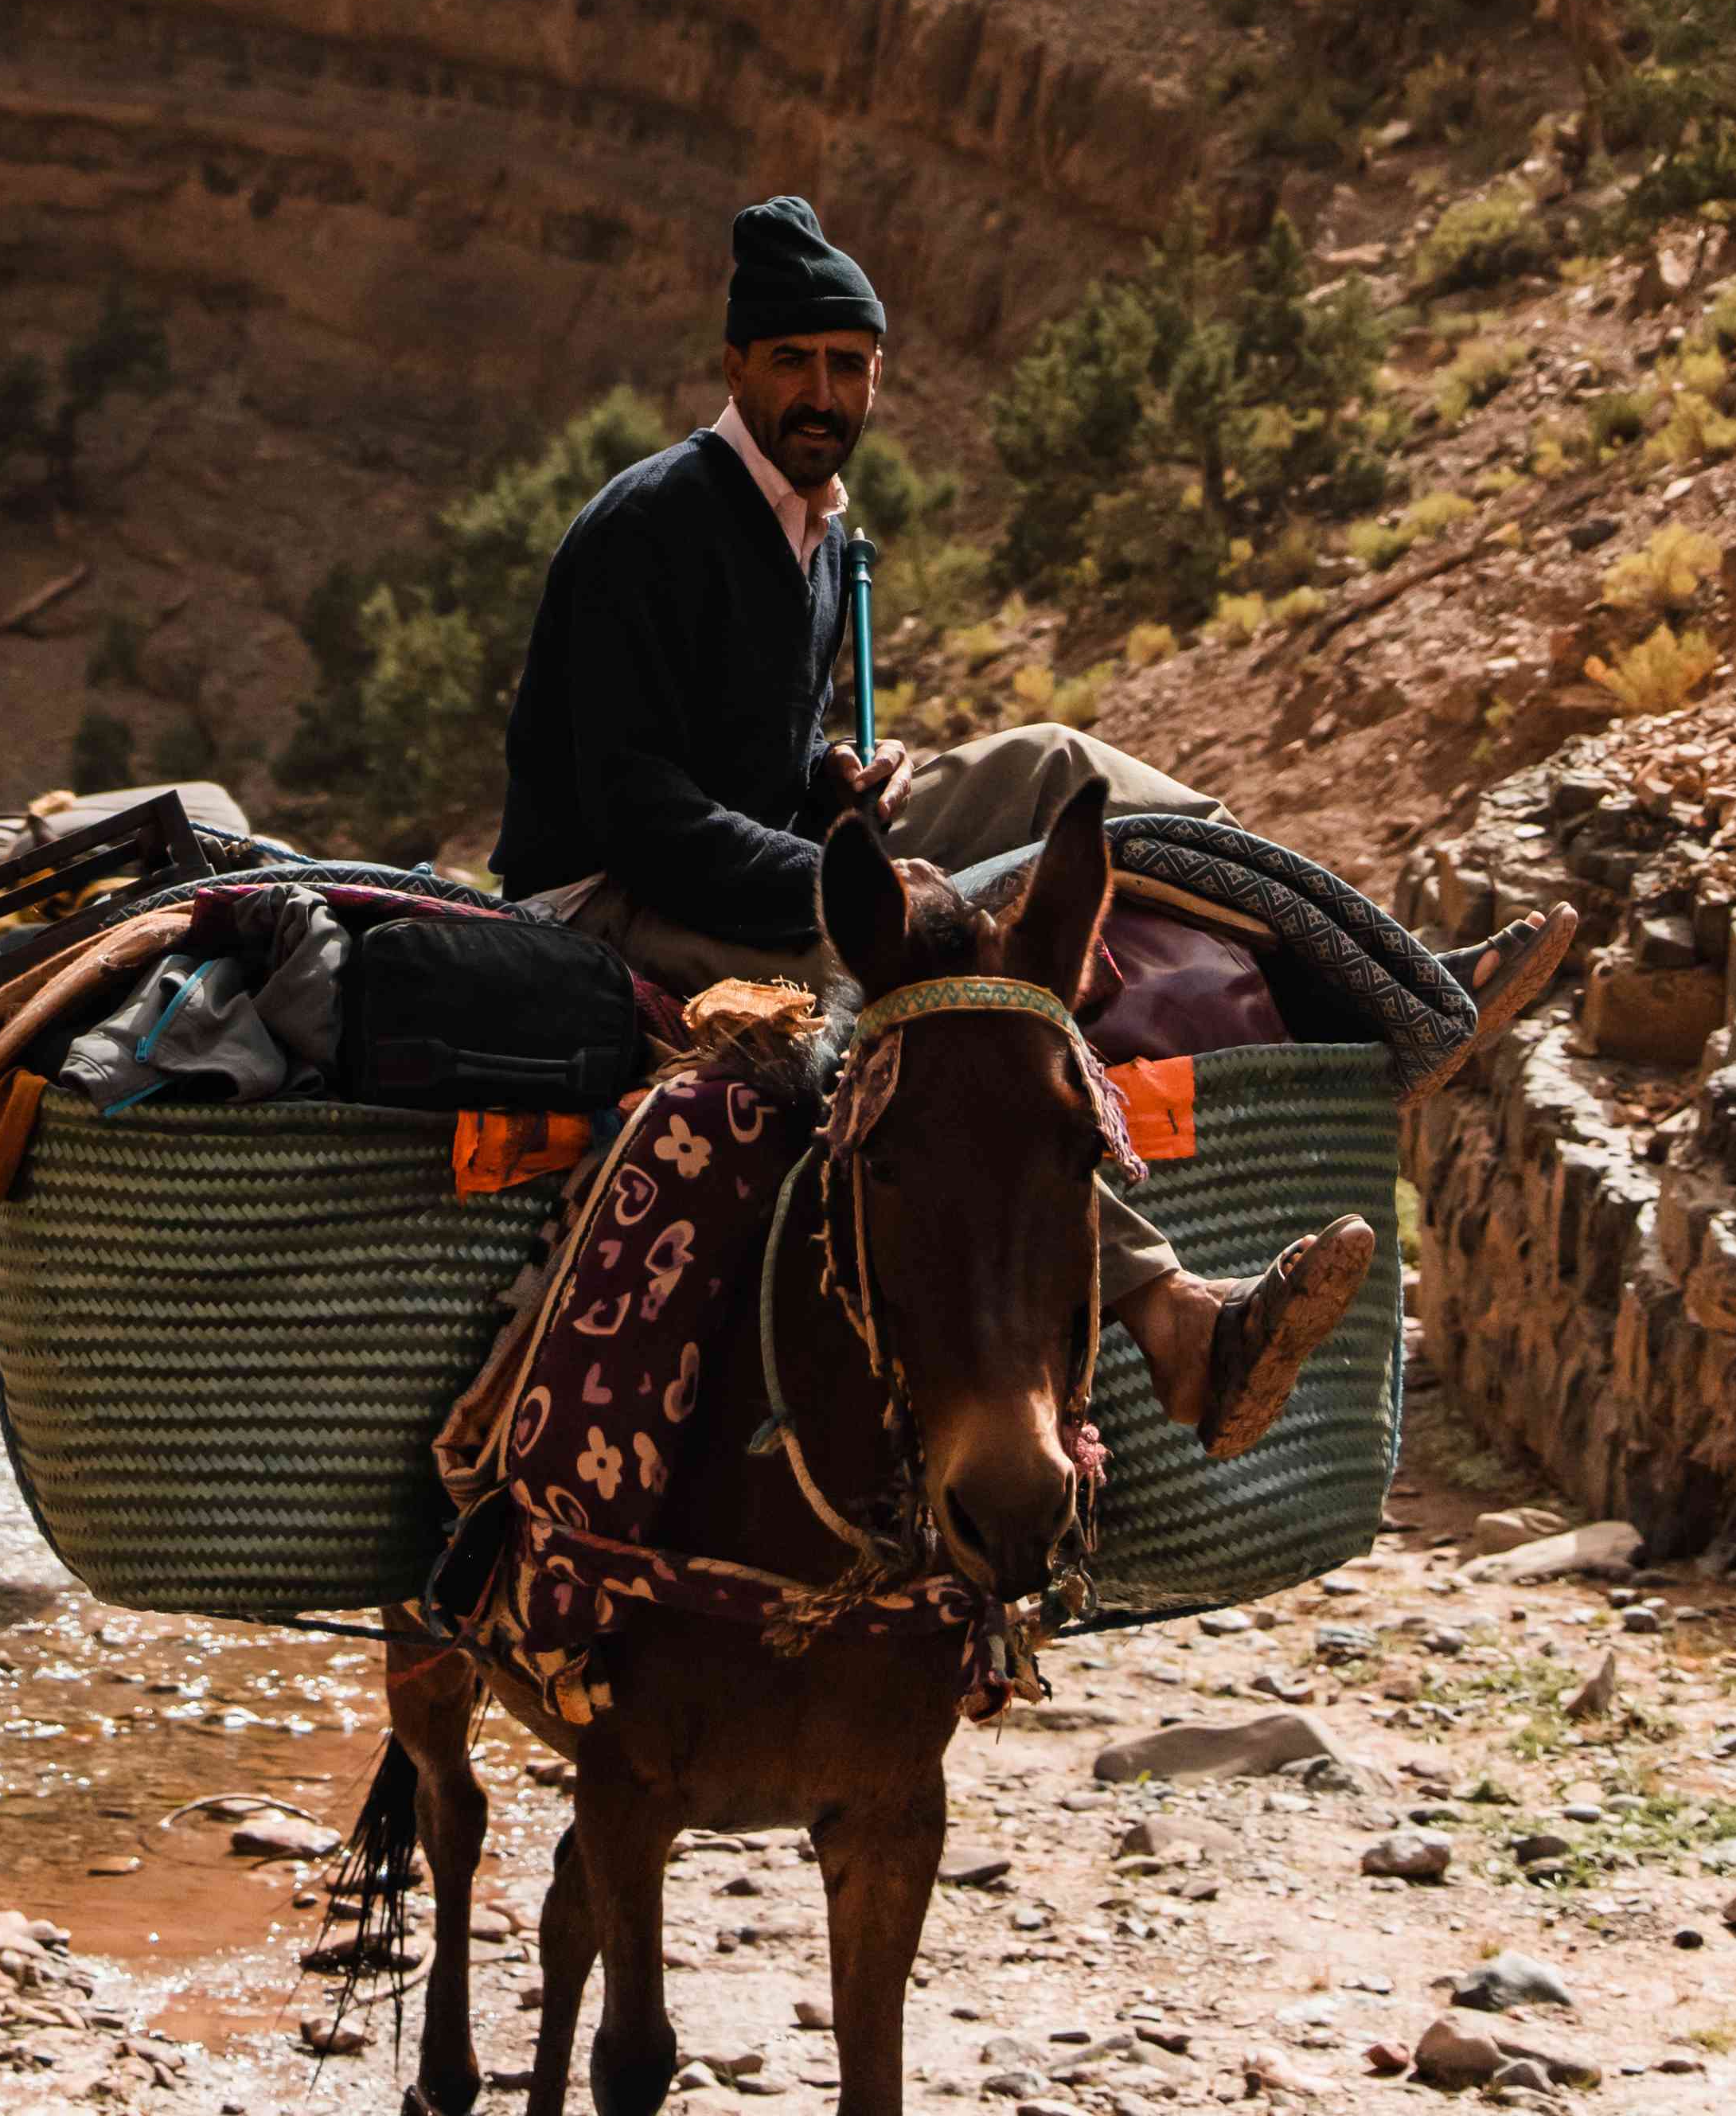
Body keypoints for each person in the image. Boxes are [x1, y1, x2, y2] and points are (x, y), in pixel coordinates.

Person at [495, 191, 1467, 1463]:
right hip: (612, 895)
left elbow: (749, 752)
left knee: (1053, 764)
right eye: (792, 361)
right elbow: (639, 807)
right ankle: (1171, 1319)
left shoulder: (820, 533)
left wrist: (833, 785)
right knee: (951, 1018)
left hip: (762, 853)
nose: (821, 392)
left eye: (848, 367)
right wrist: (844, 871)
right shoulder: (652, 524)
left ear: (878, 380)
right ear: (735, 366)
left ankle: (1363, 967)